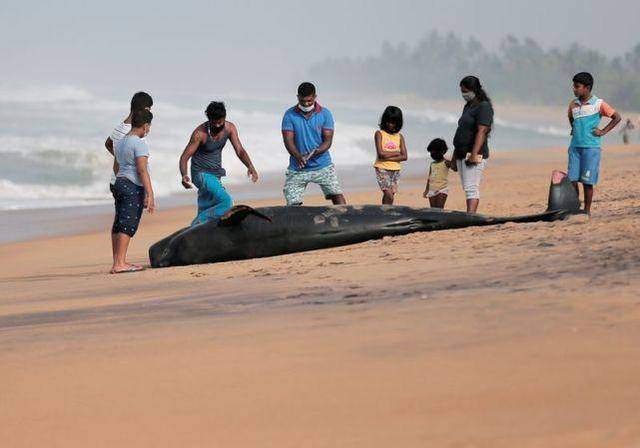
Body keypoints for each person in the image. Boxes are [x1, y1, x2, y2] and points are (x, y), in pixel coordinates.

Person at [179, 101, 259, 225]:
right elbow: (184, 157)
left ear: (224, 118)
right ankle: (195, 225)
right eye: (214, 122)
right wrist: (184, 175)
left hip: (216, 175)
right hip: (200, 174)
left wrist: (250, 166)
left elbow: (240, 150)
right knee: (227, 203)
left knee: (208, 207)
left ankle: (197, 235)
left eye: (220, 122)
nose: (217, 125)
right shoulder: (200, 134)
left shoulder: (230, 128)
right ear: (208, 119)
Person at [281, 82, 346, 205]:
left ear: (315, 97)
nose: (306, 104)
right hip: (298, 167)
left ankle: (347, 219)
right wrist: (298, 156)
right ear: (297, 97)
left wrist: (316, 151)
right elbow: (288, 140)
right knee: (292, 202)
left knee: (336, 194)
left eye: (309, 101)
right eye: (302, 101)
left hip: (322, 164)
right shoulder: (289, 115)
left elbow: (327, 141)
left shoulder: (325, 113)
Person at [567, 72, 621, 216]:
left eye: (577, 86)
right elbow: (571, 117)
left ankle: (587, 211)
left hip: (591, 149)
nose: (574, 89)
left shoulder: (598, 104)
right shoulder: (573, 104)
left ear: (587, 88)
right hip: (574, 148)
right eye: (573, 86)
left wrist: (603, 131)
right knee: (572, 180)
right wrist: (574, 128)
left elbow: (617, 117)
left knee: (587, 181)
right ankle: (576, 206)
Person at [110, 109, 155, 274]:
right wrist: (150, 194)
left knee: (118, 223)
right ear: (145, 125)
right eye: (149, 127)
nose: (149, 130)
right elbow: (142, 170)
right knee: (128, 224)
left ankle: (117, 261)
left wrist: (120, 181)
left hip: (120, 182)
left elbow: (116, 165)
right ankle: (120, 263)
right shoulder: (139, 143)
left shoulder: (121, 141)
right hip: (132, 186)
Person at [452, 75, 493, 213]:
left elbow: (482, 131)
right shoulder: (468, 106)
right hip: (461, 153)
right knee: (466, 186)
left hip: (474, 153)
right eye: (462, 91)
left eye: (466, 91)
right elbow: (461, 131)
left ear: (474, 90)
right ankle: (470, 214)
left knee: (471, 187)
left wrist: (474, 154)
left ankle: (471, 216)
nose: (464, 94)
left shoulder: (484, 107)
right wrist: (454, 158)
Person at [104, 92, 153, 191]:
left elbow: (108, 144)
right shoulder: (134, 132)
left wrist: (122, 159)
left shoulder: (119, 128)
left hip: (117, 181)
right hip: (131, 183)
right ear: (145, 109)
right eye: (149, 109)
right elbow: (142, 168)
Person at [373, 106, 407, 205]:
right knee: (389, 195)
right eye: (387, 121)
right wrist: (397, 153)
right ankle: (388, 211)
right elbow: (380, 154)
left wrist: (387, 155)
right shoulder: (379, 134)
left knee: (391, 194)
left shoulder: (399, 137)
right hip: (382, 168)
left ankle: (384, 212)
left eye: (393, 122)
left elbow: (405, 156)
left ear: (398, 123)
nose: (389, 124)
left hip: (396, 169)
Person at [423, 138, 452, 209]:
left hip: (442, 189)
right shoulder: (432, 164)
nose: (432, 154)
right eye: (431, 153)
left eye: (433, 152)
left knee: (439, 209)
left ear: (442, 151)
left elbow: (455, 167)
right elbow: (429, 178)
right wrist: (426, 190)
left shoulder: (446, 162)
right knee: (433, 210)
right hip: (432, 189)